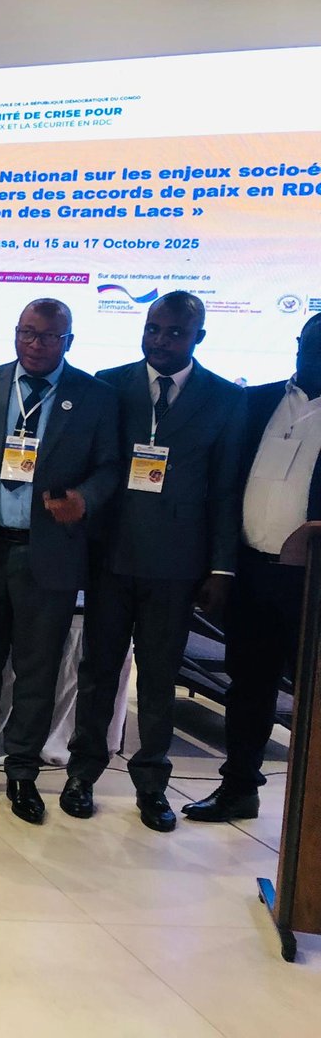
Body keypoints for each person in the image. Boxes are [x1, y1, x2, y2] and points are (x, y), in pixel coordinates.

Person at [64, 292, 244, 831]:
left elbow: (225, 489)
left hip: (177, 563)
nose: (160, 341)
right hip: (111, 555)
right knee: (98, 671)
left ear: (198, 337)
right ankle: (82, 774)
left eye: (174, 332)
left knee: (159, 678)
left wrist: (221, 567)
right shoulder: (108, 383)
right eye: (152, 329)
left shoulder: (224, 398)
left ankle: (151, 785)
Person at [0, 299, 121, 825]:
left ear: (69, 341)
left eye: (47, 336)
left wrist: (84, 498)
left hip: (51, 553)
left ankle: (21, 772)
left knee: (37, 672)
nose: (34, 344)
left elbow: (111, 467)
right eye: (26, 333)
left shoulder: (95, 396)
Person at [186, 314, 321, 823]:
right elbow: (222, 484)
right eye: (311, 343)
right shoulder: (256, 401)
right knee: (249, 687)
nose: (316, 354)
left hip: (313, 583)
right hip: (251, 571)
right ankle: (239, 788)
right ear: (297, 343)